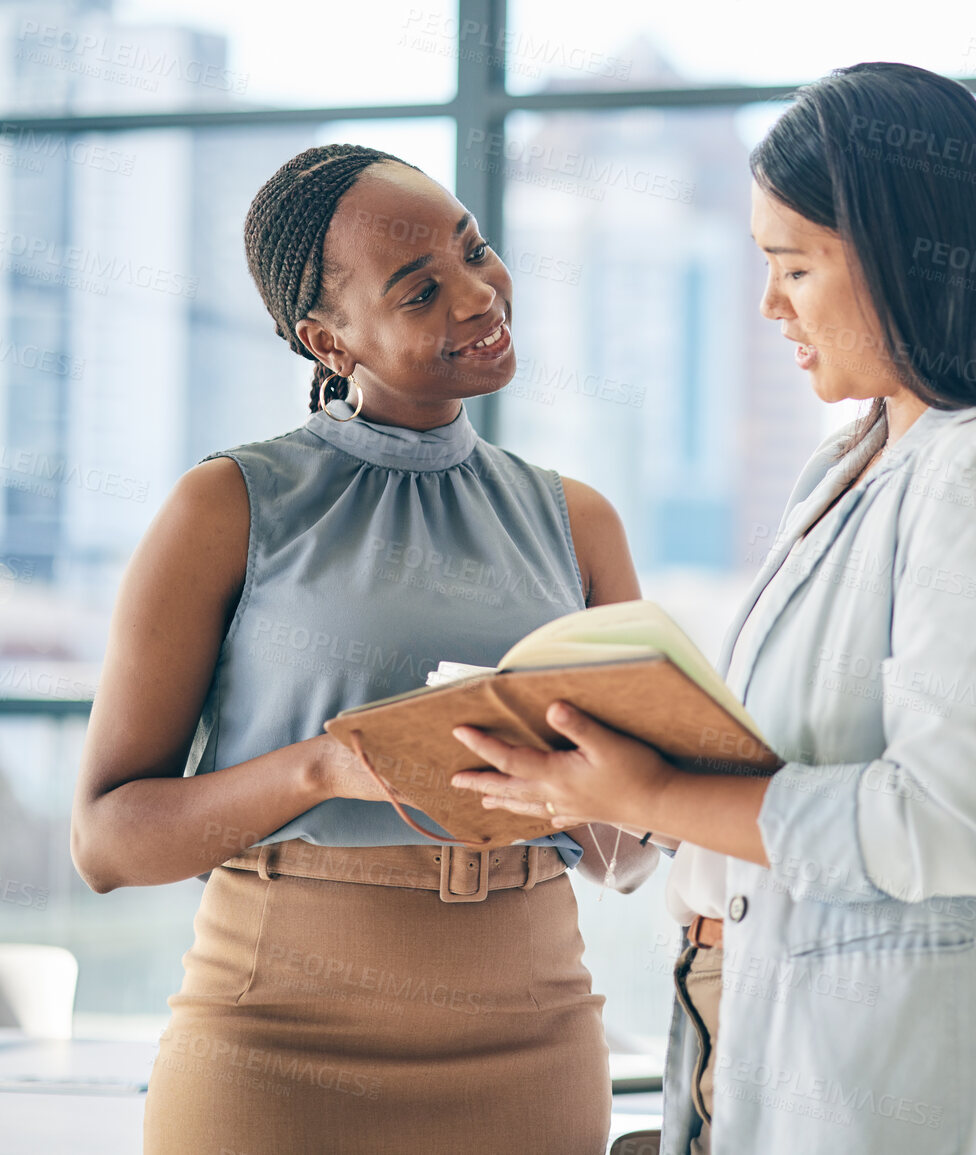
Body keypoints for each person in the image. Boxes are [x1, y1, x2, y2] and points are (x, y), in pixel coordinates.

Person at [448, 62, 976, 1155]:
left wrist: (661, 790)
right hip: (753, 1039)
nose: (770, 303)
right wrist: (601, 779)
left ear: (906, 259)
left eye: (795, 266)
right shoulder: (849, 464)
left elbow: (948, 824)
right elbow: (789, 766)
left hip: (912, 1088)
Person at [70, 144, 660, 1155]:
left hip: (530, 1035)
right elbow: (108, 843)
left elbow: (627, 858)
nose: (478, 296)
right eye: (421, 288)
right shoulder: (229, 506)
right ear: (327, 340)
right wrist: (322, 766)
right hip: (275, 1041)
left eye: (475, 251)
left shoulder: (578, 521)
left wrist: (608, 789)